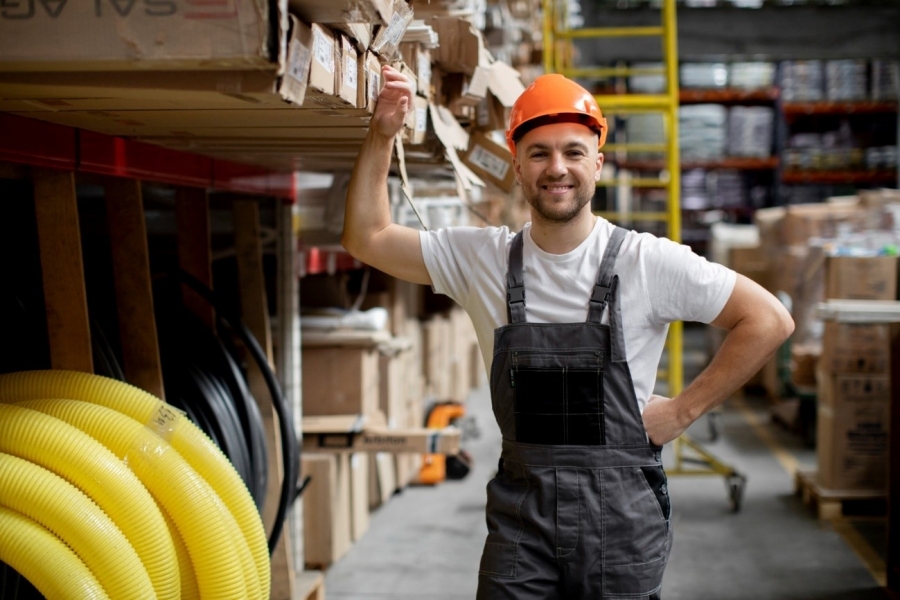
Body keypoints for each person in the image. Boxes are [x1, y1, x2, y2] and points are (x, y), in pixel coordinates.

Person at [343, 65, 794, 600]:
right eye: (539, 153)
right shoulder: (482, 258)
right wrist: (381, 134)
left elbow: (768, 319)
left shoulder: (647, 262)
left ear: (597, 164)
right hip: (522, 516)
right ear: (517, 165)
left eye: (573, 152)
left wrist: (680, 413)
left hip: (621, 516)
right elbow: (366, 237)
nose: (557, 168)